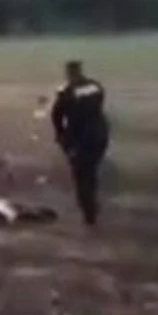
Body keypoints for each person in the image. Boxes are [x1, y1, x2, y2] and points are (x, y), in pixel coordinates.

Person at [50, 60, 110, 227]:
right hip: (100, 135)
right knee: (91, 171)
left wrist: (61, 136)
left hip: (79, 139)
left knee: (81, 175)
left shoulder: (66, 92)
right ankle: (92, 204)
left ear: (69, 73)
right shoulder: (96, 87)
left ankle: (88, 213)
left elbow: (57, 116)